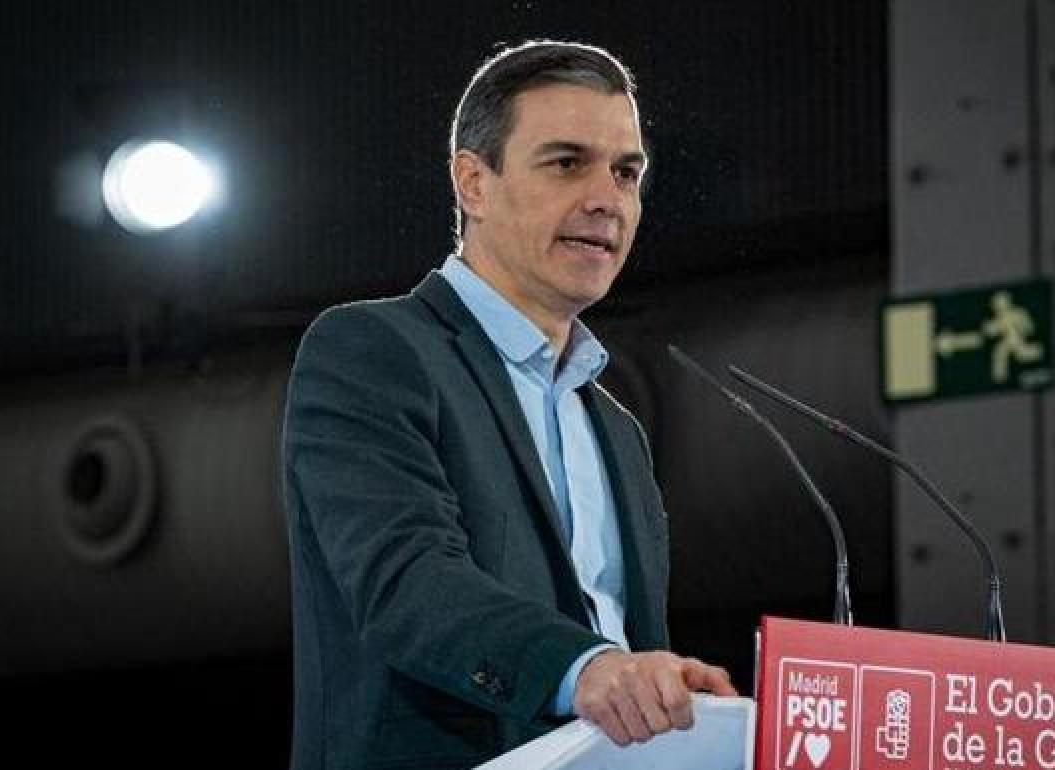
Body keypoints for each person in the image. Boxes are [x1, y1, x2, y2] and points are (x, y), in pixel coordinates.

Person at [281, 39, 736, 769]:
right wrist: (589, 669)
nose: (606, 199)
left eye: (626, 173)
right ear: (474, 183)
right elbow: (406, 582)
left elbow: (630, 656)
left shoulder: (618, 431)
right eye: (567, 163)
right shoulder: (372, 351)